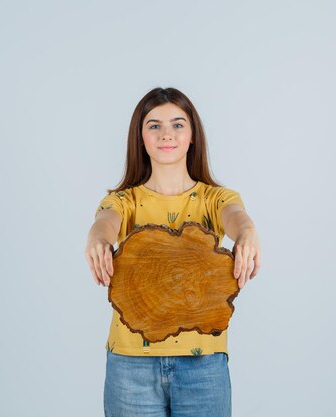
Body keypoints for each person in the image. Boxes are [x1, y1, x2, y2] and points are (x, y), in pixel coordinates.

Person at [84, 87, 261, 417]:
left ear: (193, 135)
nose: (167, 133)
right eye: (154, 125)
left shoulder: (215, 198)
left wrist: (247, 231)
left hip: (203, 365)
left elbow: (235, 216)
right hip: (130, 364)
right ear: (141, 137)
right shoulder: (125, 201)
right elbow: (106, 219)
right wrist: (97, 237)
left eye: (178, 124)